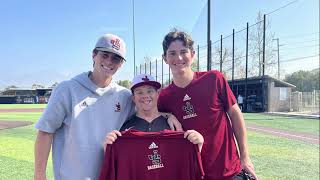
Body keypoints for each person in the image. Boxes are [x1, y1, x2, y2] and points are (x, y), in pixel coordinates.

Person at [34, 34, 182, 180]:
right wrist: (39, 174)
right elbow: (45, 132)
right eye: (104, 55)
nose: (109, 62)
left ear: (121, 64)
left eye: (116, 58)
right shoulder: (66, 89)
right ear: (94, 55)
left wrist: (168, 115)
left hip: (111, 175)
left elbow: (146, 110)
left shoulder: (124, 96)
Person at [158, 29, 258, 180]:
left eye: (183, 51)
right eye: (172, 53)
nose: (178, 58)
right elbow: (147, 115)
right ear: (165, 58)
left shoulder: (214, 79)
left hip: (228, 171)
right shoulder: (164, 97)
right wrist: (166, 114)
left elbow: (235, 114)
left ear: (192, 54)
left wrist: (245, 157)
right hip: (194, 174)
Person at [104, 74, 204, 151]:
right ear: (133, 98)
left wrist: (198, 145)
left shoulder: (173, 125)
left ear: (157, 94)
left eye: (150, 91)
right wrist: (108, 148)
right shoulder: (124, 130)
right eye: (139, 92)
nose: (145, 96)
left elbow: (184, 160)